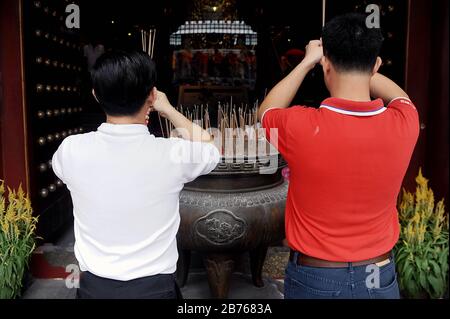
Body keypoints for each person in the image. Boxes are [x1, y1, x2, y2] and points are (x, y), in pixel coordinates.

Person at [258, 13, 419, 299]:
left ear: (325, 65)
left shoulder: (300, 126)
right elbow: (400, 97)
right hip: (378, 276)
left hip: (317, 278)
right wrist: (364, 61)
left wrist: (308, 60)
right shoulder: (405, 122)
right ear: (377, 66)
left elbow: (266, 112)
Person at [52, 51, 220, 299]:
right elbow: (210, 145)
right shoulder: (173, 154)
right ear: (151, 96)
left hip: (93, 290)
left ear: (96, 95)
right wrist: (169, 110)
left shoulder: (71, 150)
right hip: (155, 290)